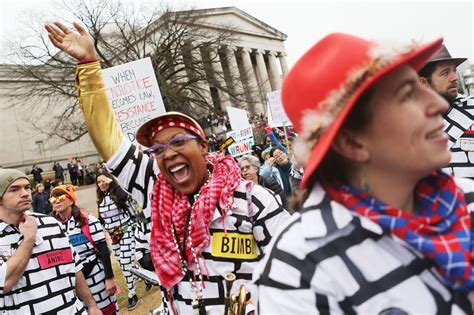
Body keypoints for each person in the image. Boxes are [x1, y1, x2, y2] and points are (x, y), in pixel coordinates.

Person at [45, 21, 290, 314]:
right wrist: (88, 65)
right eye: (157, 149)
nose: (167, 153)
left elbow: (295, 269)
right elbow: (107, 138)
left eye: (177, 142)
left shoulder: (253, 200)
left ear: (202, 146)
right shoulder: (153, 190)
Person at [254, 33, 474, 313]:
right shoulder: (296, 269)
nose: (439, 105)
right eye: (407, 96)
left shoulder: (466, 199)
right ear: (352, 142)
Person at [0, 168, 102, 314]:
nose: (25, 193)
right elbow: (5, 282)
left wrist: (91, 305)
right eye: (14, 189)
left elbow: (74, 267)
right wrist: (29, 239)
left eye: (27, 187)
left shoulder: (51, 223)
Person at [50, 184, 118, 314]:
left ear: (71, 200)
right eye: (53, 199)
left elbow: (103, 250)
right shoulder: (50, 226)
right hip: (70, 283)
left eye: (62, 197)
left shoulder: (88, 221)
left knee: (106, 310)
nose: (57, 201)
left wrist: (109, 278)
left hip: (95, 276)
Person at [418, 45, 474, 179]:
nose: (454, 77)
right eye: (445, 73)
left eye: (454, 71)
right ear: (424, 82)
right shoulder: (411, 121)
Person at [96, 171, 140, 310]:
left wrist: (114, 185)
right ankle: (143, 276)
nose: (102, 184)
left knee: (126, 262)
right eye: (99, 182)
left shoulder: (118, 193)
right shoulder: (101, 200)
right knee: (123, 263)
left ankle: (132, 294)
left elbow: (127, 198)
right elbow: (101, 219)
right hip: (113, 235)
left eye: (104, 180)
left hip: (126, 229)